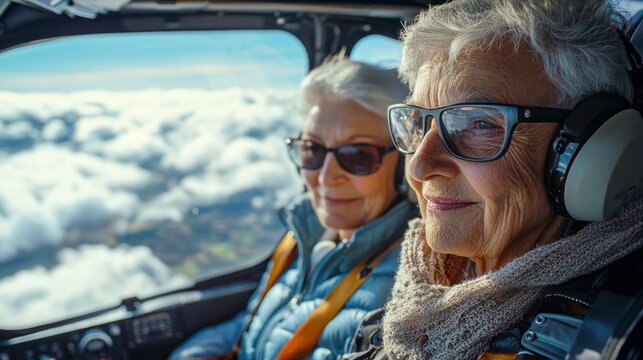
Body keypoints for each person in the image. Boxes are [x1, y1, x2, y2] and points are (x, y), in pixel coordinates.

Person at [343, 0, 643, 359]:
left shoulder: (615, 338)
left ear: (583, 151)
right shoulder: (409, 307)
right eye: (418, 122)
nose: (419, 167)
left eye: (479, 124)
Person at [168, 56, 418, 360]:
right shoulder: (302, 239)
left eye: (357, 154)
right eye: (312, 149)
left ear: (404, 167)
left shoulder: (404, 291)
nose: (325, 177)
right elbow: (248, 329)